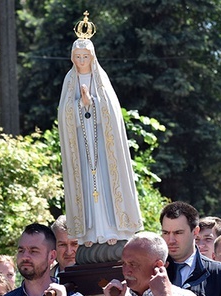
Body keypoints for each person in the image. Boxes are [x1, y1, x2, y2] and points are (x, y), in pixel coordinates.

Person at [58, 15, 143, 248]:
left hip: (103, 147)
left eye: (86, 57)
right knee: (85, 184)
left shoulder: (101, 78)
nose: (82, 61)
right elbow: (63, 113)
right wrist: (79, 105)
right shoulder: (69, 80)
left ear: (92, 57)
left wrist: (92, 102)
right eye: (78, 57)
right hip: (82, 146)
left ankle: (112, 228)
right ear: (73, 58)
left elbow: (111, 111)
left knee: (106, 183)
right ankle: (89, 233)